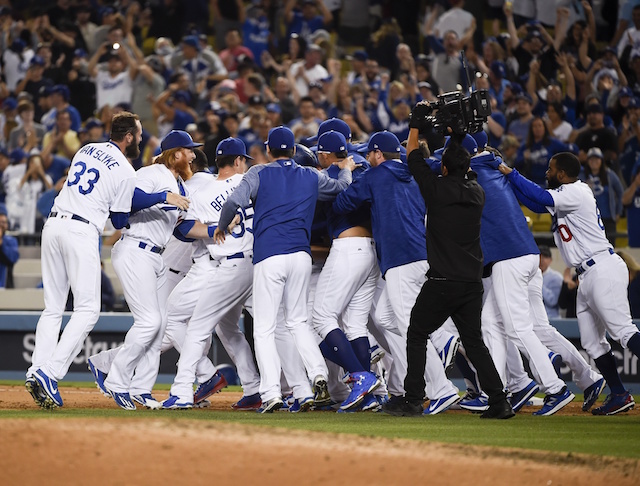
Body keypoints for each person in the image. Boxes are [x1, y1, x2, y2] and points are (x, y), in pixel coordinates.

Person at [383, 103, 514, 419]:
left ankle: (414, 399)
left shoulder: (437, 189)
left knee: (416, 332)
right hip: (471, 283)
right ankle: (499, 402)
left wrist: (415, 125)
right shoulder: (477, 191)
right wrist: (456, 136)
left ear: (443, 168)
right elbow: (457, 164)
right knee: (476, 344)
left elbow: (413, 157)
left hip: (442, 282)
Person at [214, 126, 355, 413]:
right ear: (292, 150)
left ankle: (271, 393)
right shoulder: (310, 175)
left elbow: (233, 202)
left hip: (270, 256)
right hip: (301, 257)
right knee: (298, 322)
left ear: (268, 150)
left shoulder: (259, 173)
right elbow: (341, 187)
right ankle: (316, 376)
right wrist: (346, 167)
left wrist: (220, 225)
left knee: (264, 328)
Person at [499, 152, 640, 415]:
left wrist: (512, 174)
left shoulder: (577, 191)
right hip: (586, 274)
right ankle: (619, 394)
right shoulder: (565, 194)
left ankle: (619, 393)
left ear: (562, 174)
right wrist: (506, 184)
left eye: (551, 170)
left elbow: (541, 197)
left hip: (602, 267)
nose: (547, 173)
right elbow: (537, 204)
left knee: (623, 331)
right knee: (592, 342)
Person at [333, 130, 461, 416]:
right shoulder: (414, 170)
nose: (367, 158)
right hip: (423, 254)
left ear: (378, 154)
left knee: (411, 329)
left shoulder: (375, 176)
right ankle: (413, 379)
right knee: (385, 318)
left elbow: (342, 203)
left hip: (400, 259)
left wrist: (350, 175)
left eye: (370, 154)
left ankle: (441, 389)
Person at [25, 112, 141, 409]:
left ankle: (37, 370)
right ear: (128, 137)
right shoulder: (127, 171)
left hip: (53, 224)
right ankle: (50, 373)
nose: (139, 139)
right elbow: (118, 219)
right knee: (88, 309)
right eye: (137, 134)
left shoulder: (85, 148)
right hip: (81, 229)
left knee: (52, 307)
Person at [100, 130, 220, 410]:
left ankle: (141, 387)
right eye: (189, 150)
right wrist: (163, 196)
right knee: (150, 322)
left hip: (156, 255)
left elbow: (184, 229)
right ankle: (116, 381)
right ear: (175, 153)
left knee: (162, 324)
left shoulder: (181, 185)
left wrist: (217, 229)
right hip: (134, 249)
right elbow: (127, 201)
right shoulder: (152, 172)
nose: (192, 156)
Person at [162, 138, 260, 409]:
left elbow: (182, 229)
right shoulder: (252, 183)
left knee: (193, 326)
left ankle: (181, 392)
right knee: (232, 328)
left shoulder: (204, 193)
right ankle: (259, 388)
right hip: (258, 266)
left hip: (228, 265)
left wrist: (215, 228)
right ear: (239, 161)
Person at [580, 147, 623, 247]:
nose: (594, 162)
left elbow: (620, 192)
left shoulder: (609, 175)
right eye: (591, 159)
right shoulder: (582, 176)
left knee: (609, 246)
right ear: (587, 161)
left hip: (608, 218)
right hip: (589, 219)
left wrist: (618, 212)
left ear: (601, 161)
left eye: (597, 159)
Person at [539, 245, 563, 318]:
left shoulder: (556, 277)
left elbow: (553, 301)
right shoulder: (528, 276)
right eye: (539, 257)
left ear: (550, 260)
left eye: (545, 257)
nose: (541, 260)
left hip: (552, 319)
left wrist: (537, 282)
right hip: (533, 319)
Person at [0, 207, 19, 288]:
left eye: (3, 222)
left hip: (5, 286)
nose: (1, 225)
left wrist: (1, 243)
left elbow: (13, 258)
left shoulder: (10, 241)